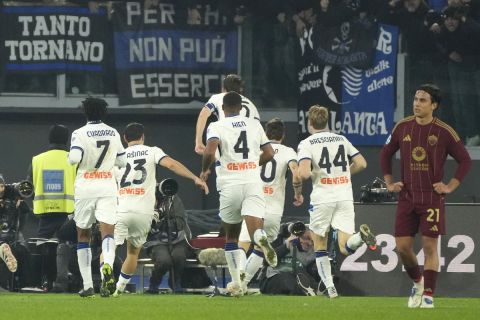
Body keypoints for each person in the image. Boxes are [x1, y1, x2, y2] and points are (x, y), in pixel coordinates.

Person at [380, 84, 471, 309]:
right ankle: (418, 283)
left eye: (422, 100)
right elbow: (385, 154)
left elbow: (465, 160)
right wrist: (390, 182)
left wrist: (450, 186)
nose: (417, 104)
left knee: (430, 247)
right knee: (402, 247)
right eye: (415, 99)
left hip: (431, 197)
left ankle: (429, 294)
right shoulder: (402, 127)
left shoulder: (444, 131)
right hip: (407, 197)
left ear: (434, 105)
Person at [112, 123, 208, 297]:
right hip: (143, 211)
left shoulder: (116, 156)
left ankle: (106, 280)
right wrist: (195, 178)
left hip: (121, 209)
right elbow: (171, 165)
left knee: (108, 248)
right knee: (132, 252)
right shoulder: (152, 151)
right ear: (143, 137)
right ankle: (119, 289)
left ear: (124, 139)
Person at [200, 91, 276, 297]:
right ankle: (260, 237)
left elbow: (209, 150)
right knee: (254, 231)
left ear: (223, 109)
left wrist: (205, 170)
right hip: (252, 181)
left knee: (232, 237)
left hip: (229, 183)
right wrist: (251, 164)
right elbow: (269, 152)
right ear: (241, 108)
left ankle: (236, 284)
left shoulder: (216, 125)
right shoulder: (254, 124)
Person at [297, 105, 377, 299]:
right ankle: (360, 236)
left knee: (320, 244)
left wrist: (301, 173)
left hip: (323, 197)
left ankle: (330, 288)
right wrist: (343, 174)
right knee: (345, 246)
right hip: (344, 195)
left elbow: (305, 173)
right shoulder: (341, 139)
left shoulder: (307, 143)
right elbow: (362, 163)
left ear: (310, 123)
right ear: (327, 122)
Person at [68, 97, 127, 298]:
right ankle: (107, 268)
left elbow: (75, 158)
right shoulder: (113, 132)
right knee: (107, 233)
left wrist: (72, 159)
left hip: (85, 186)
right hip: (107, 185)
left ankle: (87, 286)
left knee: (83, 235)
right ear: (104, 113)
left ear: (85, 112)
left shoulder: (79, 133)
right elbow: (123, 161)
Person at [238, 118, 303, 289]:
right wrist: (298, 193)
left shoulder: (257, 150)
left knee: (243, 245)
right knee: (260, 249)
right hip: (273, 210)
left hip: (253, 205)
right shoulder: (288, 151)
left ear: (265, 134)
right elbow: (296, 174)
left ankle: (238, 282)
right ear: (283, 135)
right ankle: (243, 284)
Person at [27, 124, 76, 292]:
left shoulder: (37, 159)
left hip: (45, 214)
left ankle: (36, 284)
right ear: (67, 139)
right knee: (70, 248)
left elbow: (29, 188)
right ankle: (71, 283)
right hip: (69, 214)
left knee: (41, 249)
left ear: (50, 138)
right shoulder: (74, 159)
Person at [194, 74, 260, 155]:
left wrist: (198, 141)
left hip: (228, 147)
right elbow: (258, 131)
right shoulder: (252, 105)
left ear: (223, 88)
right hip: (249, 153)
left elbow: (203, 115)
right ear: (241, 90)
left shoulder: (219, 97)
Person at [144, 193, 189, 294]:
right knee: (164, 261)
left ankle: (175, 282)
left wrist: (164, 221)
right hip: (156, 241)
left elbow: (180, 222)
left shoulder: (173, 198)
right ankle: (154, 284)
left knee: (179, 256)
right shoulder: (145, 199)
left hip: (178, 239)